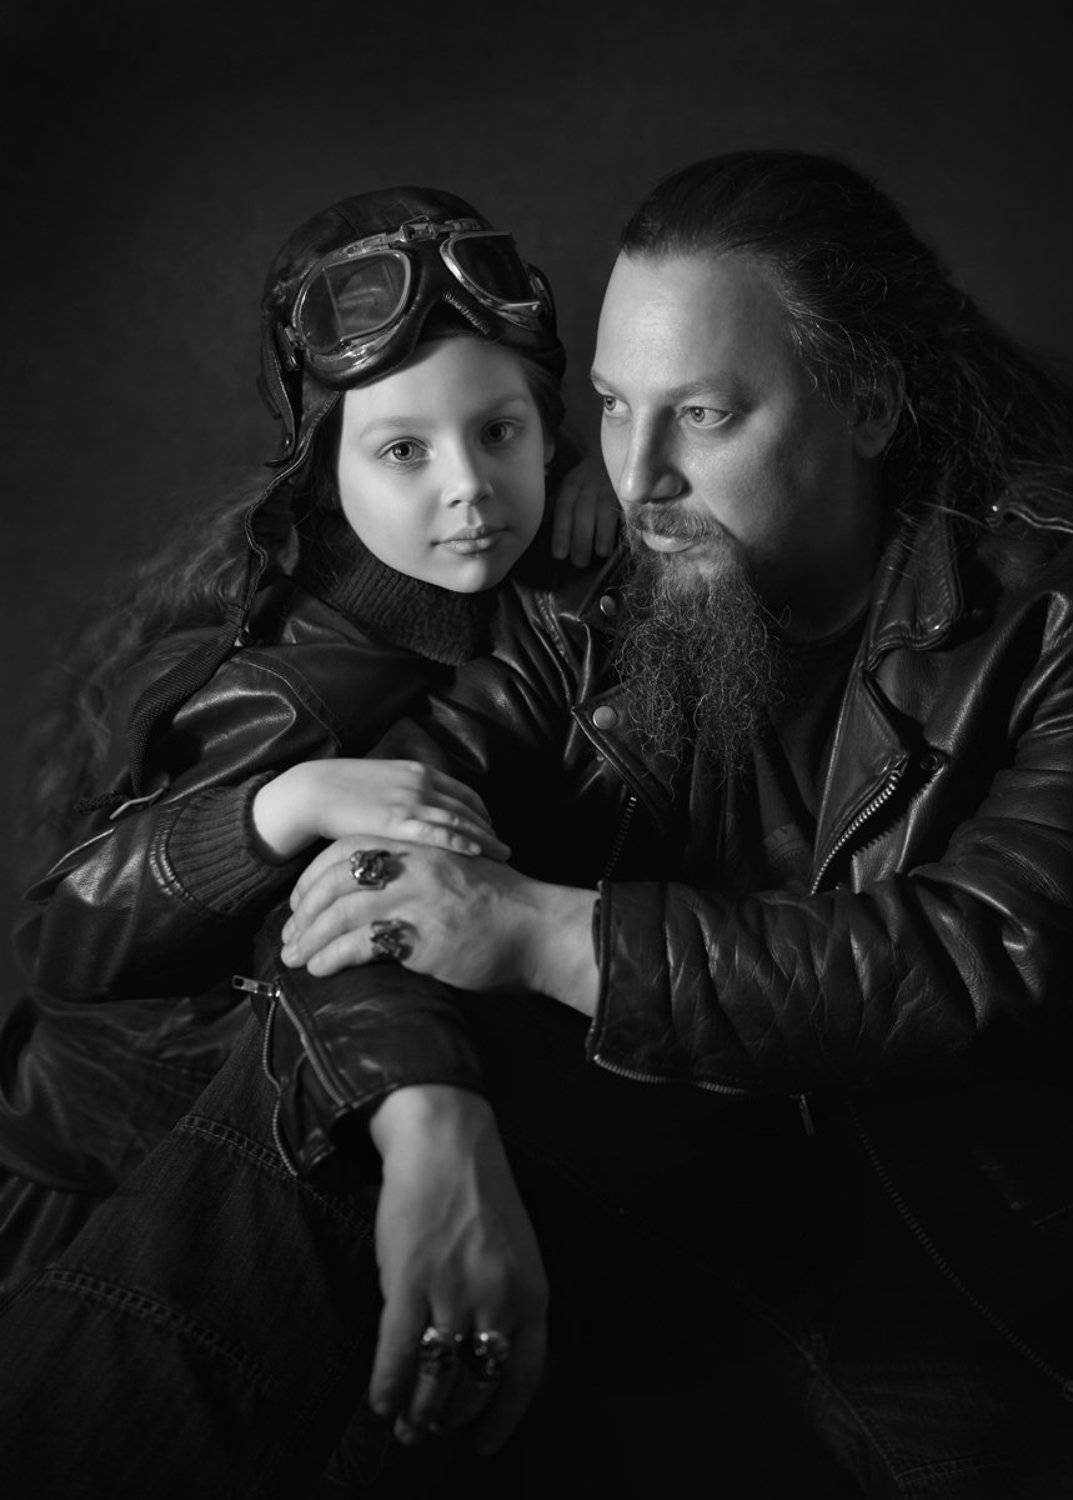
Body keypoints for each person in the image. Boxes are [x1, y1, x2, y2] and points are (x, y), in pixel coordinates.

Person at [4, 149, 1073, 1498]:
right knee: (323, 1123)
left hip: (923, 1256)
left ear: (870, 403)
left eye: (702, 415)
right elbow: (373, 871)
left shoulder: (1072, 605)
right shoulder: (589, 603)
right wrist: (432, 1131)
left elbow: (969, 952)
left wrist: (541, 933)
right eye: (611, 408)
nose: (639, 476)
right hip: (632, 1194)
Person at [0, 183, 616, 1295]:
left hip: (282, 1126)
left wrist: (608, 472)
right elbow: (62, 938)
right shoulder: (294, 688)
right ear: (325, 468)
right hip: (98, 1180)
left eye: (499, 432)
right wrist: (281, 808)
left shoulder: (497, 555)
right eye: (403, 451)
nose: (471, 489)